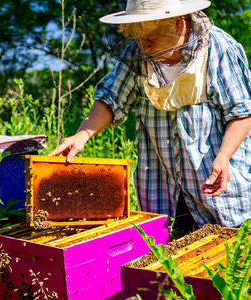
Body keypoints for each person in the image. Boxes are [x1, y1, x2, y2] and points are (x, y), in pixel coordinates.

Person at [49, 0, 251, 231]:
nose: (144, 48)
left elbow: (242, 112)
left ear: (177, 23)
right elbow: (111, 98)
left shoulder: (218, 47)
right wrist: (81, 135)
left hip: (216, 184)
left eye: (151, 40)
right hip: (162, 186)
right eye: (140, 40)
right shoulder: (138, 52)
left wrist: (224, 156)